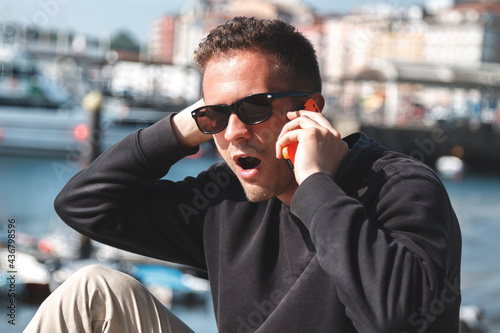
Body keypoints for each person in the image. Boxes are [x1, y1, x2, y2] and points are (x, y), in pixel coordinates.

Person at [25, 16, 461, 333]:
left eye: (253, 108)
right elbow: (83, 205)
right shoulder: (225, 202)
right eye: (214, 116)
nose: (233, 133)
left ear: (309, 110)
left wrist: (315, 187)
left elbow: (398, 318)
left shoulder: (399, 186)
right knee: (92, 290)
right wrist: (182, 130)